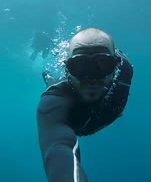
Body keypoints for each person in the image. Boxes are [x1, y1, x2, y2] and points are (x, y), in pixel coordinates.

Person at [37, 28, 134, 182]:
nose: (91, 76)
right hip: (68, 98)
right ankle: (48, 75)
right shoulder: (53, 103)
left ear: (115, 65)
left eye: (103, 64)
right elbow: (58, 151)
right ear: (67, 67)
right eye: (79, 65)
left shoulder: (125, 68)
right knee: (52, 82)